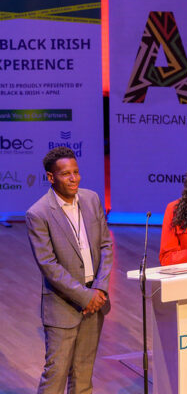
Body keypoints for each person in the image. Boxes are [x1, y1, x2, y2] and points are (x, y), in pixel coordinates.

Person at [25, 146, 113, 394]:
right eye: (66, 174)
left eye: (76, 172)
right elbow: (49, 266)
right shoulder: (38, 213)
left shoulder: (92, 199)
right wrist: (86, 297)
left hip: (96, 301)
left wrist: (100, 289)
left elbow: (106, 245)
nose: (74, 178)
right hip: (63, 306)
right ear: (51, 177)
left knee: (83, 376)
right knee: (55, 375)